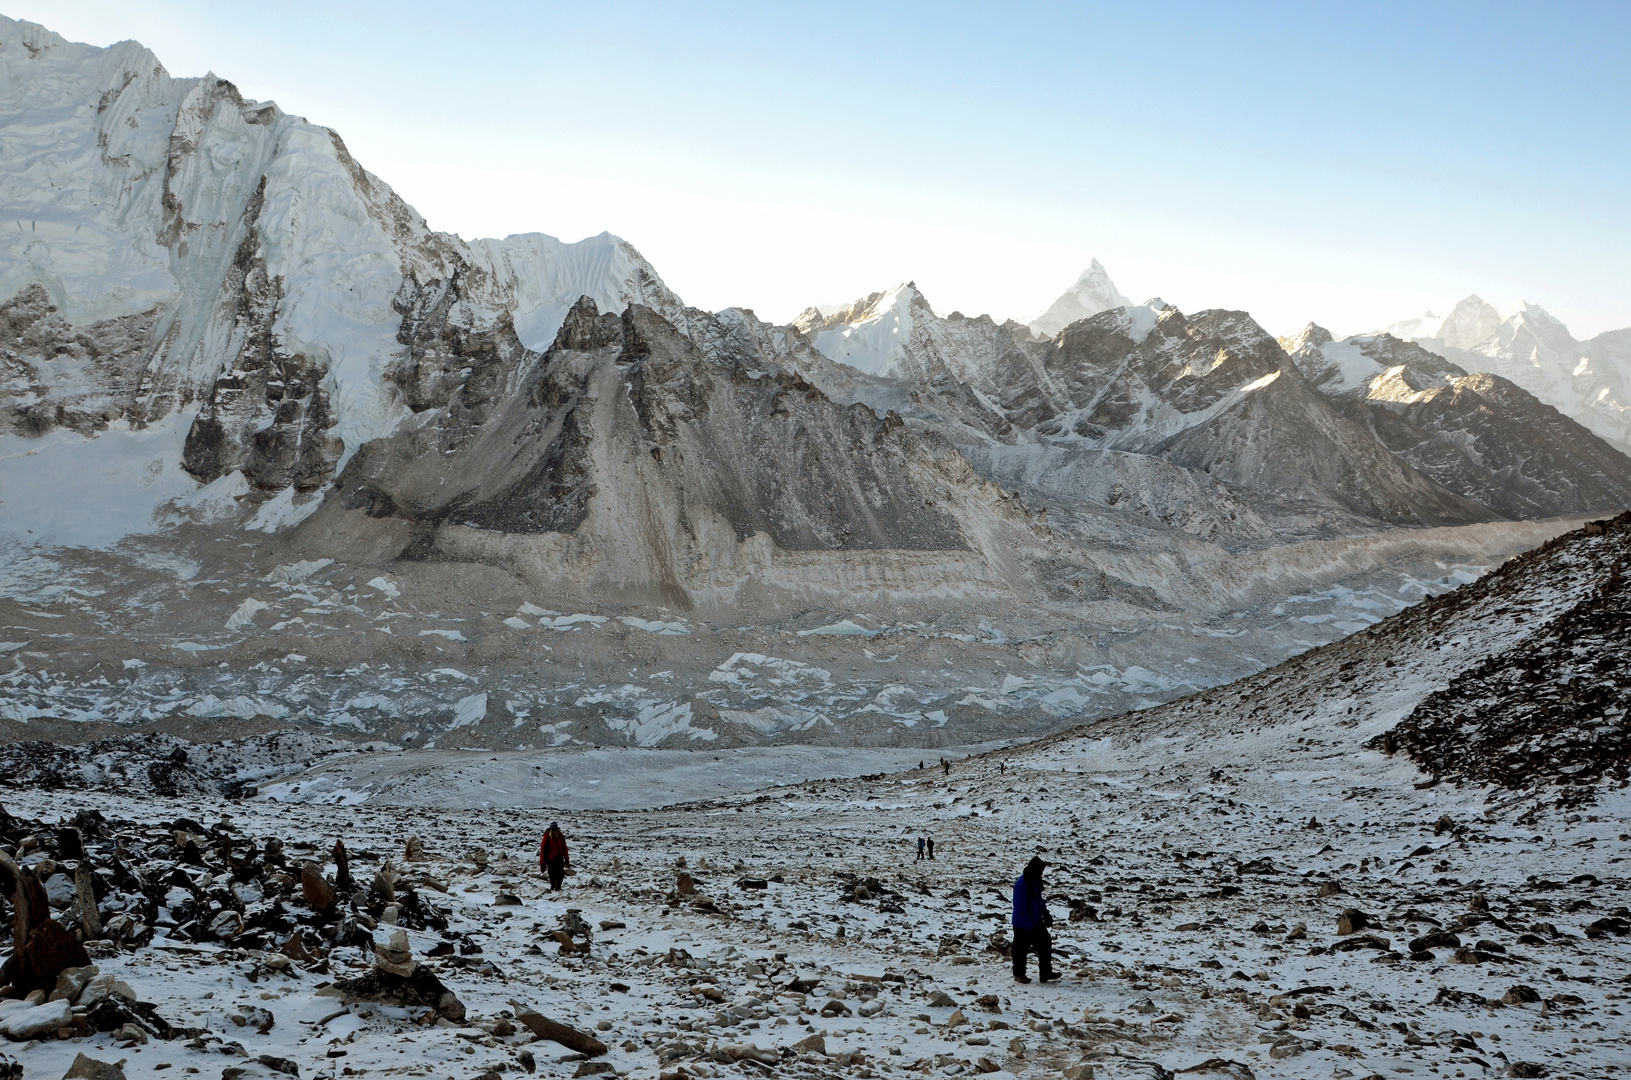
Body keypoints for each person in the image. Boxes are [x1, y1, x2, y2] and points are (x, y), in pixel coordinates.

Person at [1011, 855, 1059, 983]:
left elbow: (1038, 900)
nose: (1042, 873)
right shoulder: (1022, 885)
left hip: (1035, 920)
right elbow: (1020, 908)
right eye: (1040, 871)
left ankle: (1045, 972)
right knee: (1020, 950)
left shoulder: (1035, 881)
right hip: (1022, 923)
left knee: (1045, 943)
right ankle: (1019, 975)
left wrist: (1045, 913)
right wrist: (1028, 926)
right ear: (1034, 869)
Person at [538, 821, 570, 892]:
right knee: (552, 873)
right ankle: (553, 886)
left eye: (556, 830)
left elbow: (564, 847)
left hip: (559, 857)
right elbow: (543, 849)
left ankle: (557, 887)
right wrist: (542, 863)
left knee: (560, 873)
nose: (555, 831)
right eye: (554, 830)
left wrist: (567, 859)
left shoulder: (560, 836)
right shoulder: (547, 836)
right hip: (550, 858)